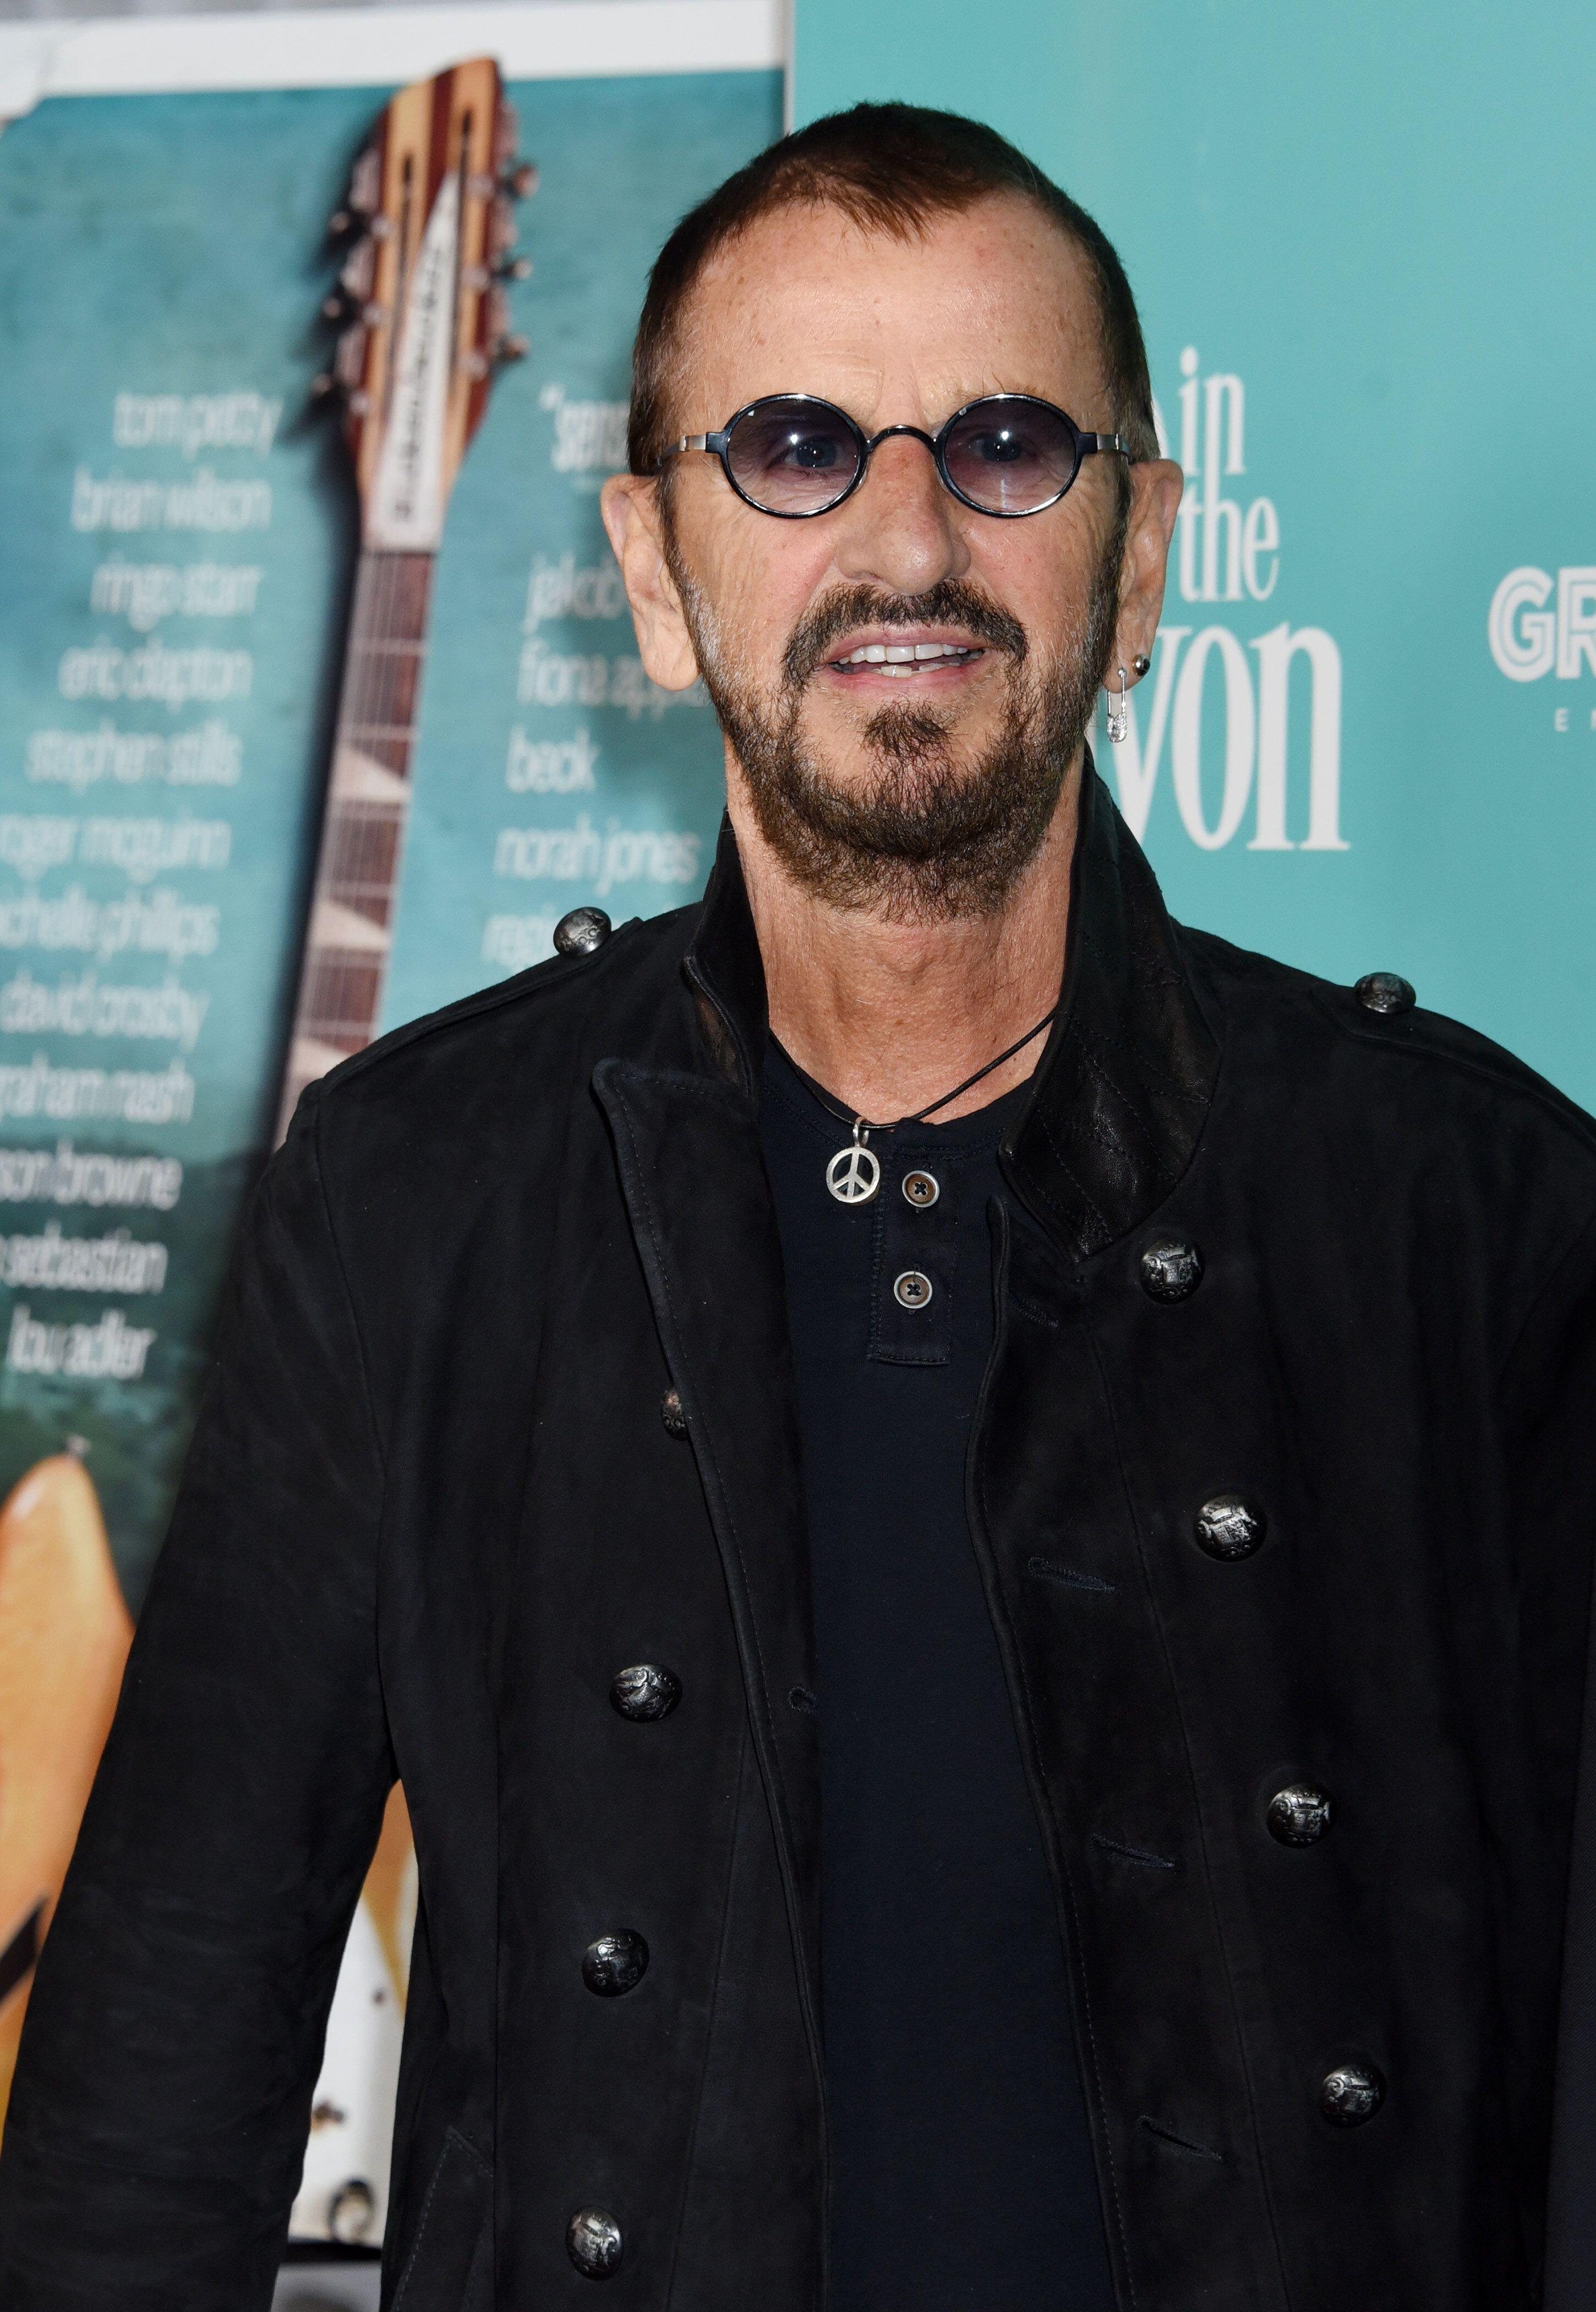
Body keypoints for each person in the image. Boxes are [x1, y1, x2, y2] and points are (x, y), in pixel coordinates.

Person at [2, 100, 1595, 2312]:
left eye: (1008, 443)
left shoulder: (1466, 1216)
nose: (907, 534)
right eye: (790, 446)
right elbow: (149, 2096)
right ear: (654, 579)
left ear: (1140, 559)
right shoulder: (411, 1201)